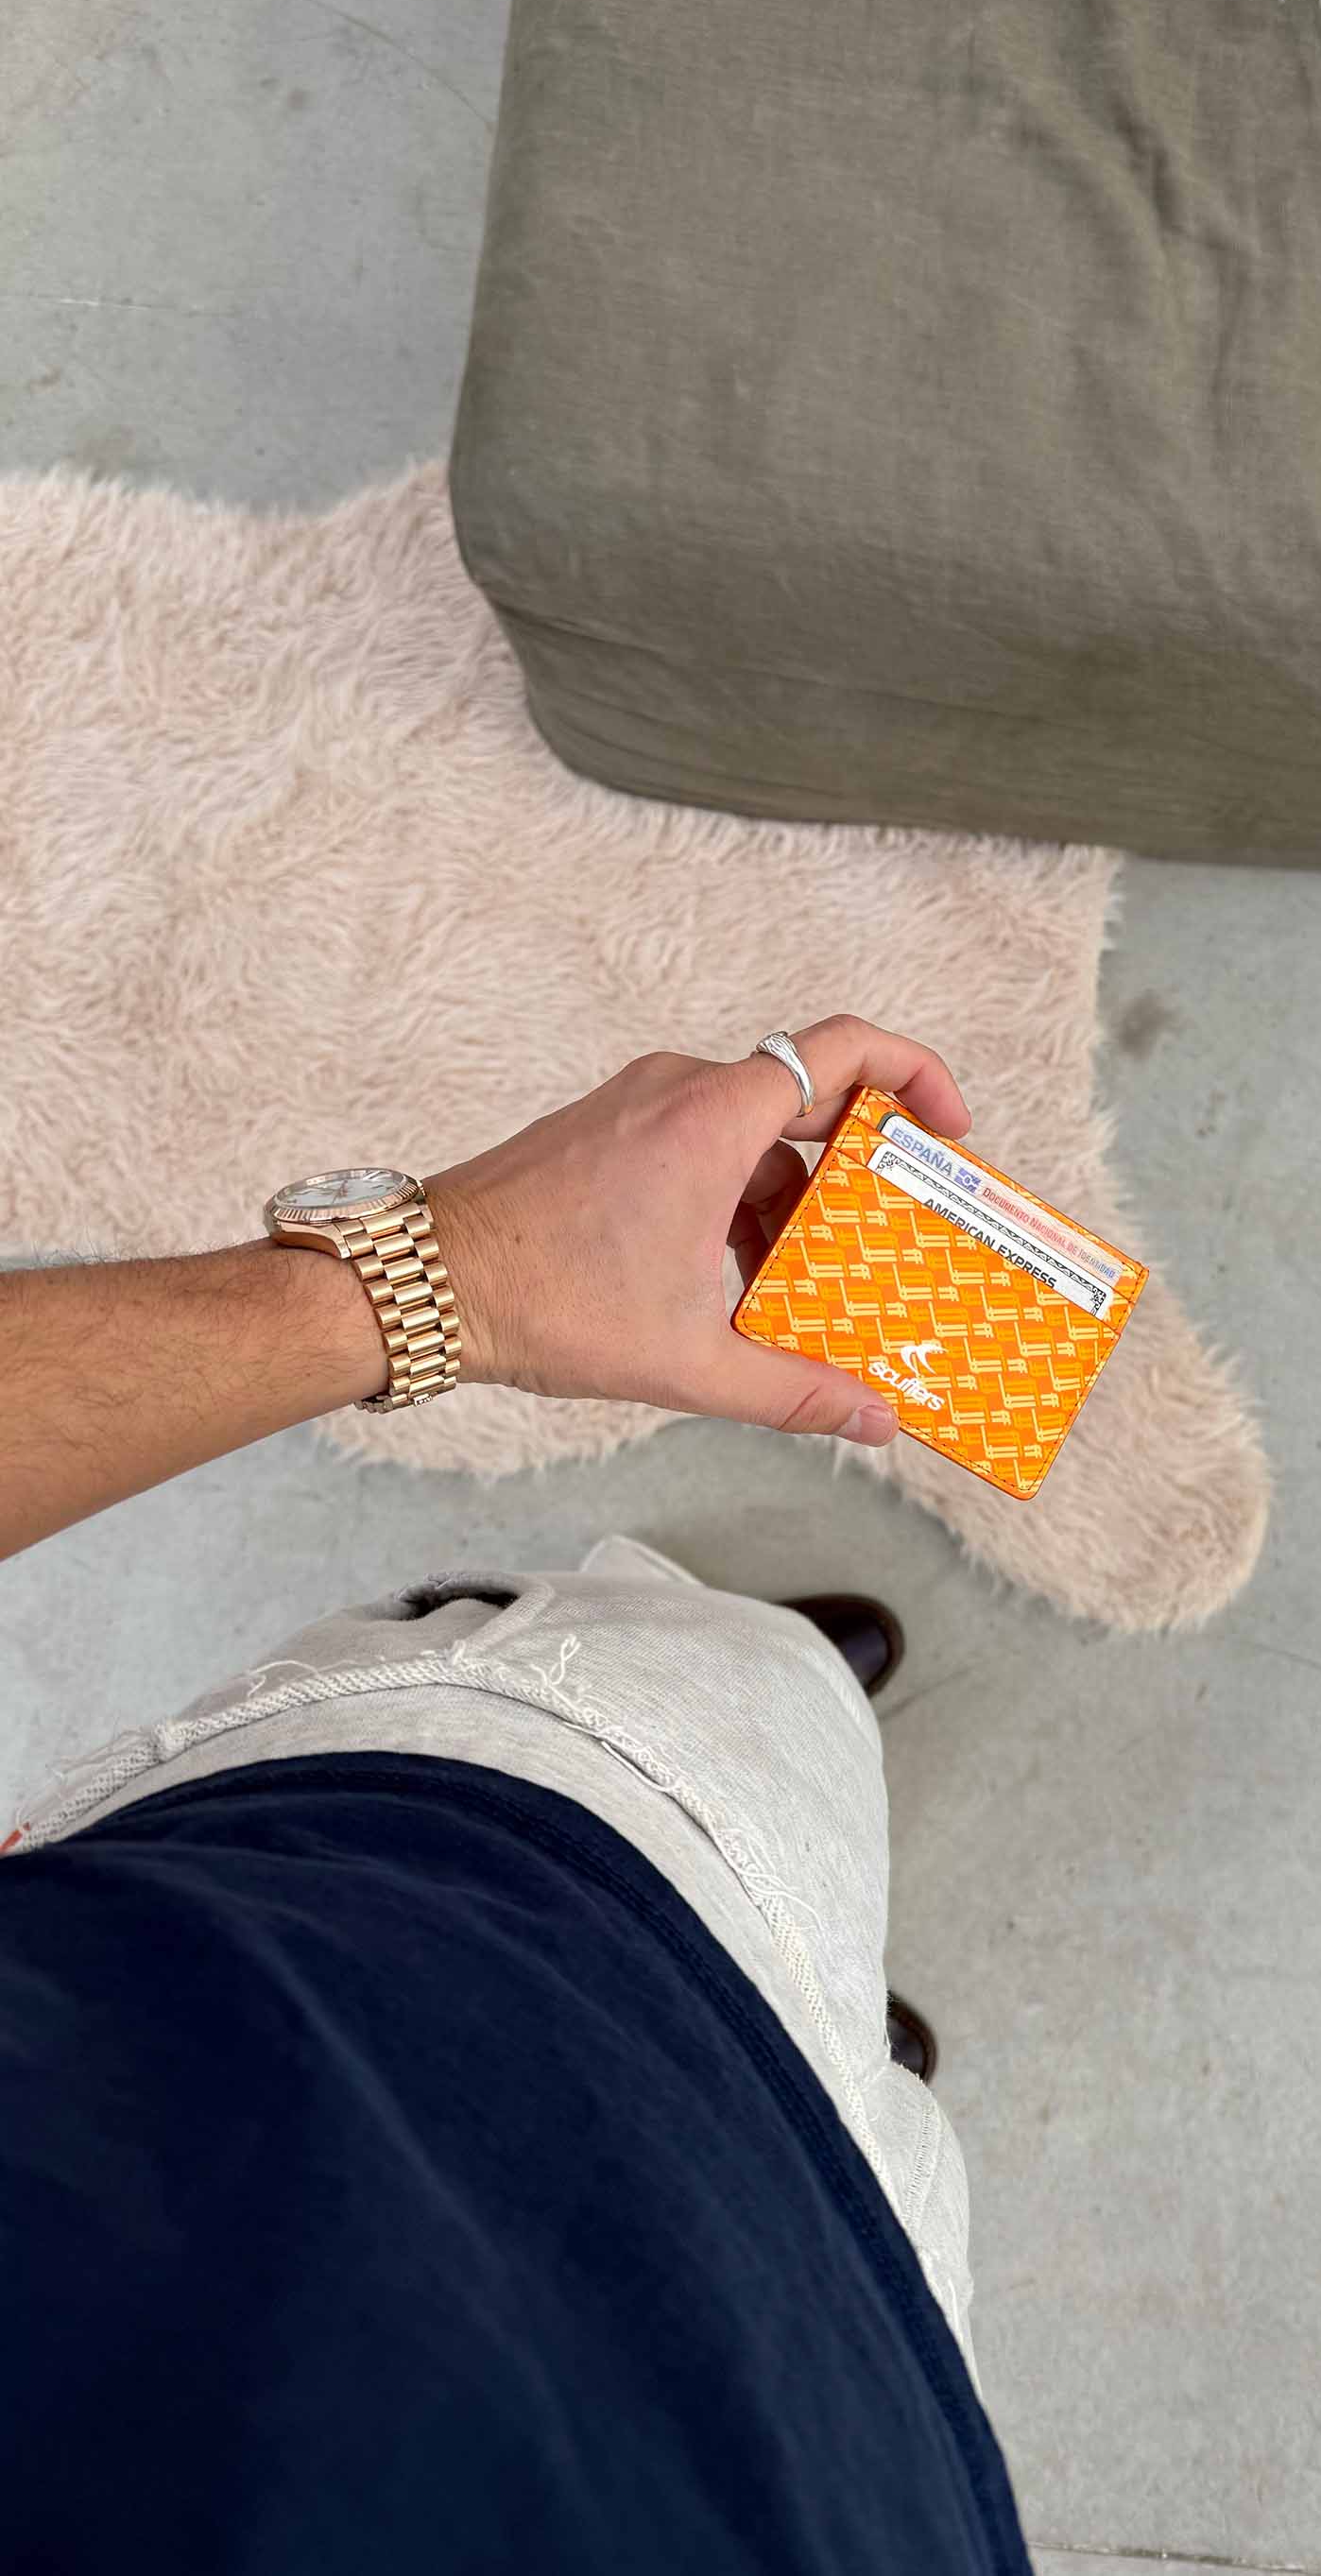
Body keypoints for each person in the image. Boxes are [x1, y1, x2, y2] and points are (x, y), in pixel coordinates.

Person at [0, 1016, 1033, 2573]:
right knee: (772, 1768)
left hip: (390, 1919)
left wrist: (446, 1273)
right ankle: (826, 2004)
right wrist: (437, 1271)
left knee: (747, 1717)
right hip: (845, 2387)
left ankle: (813, 1958)